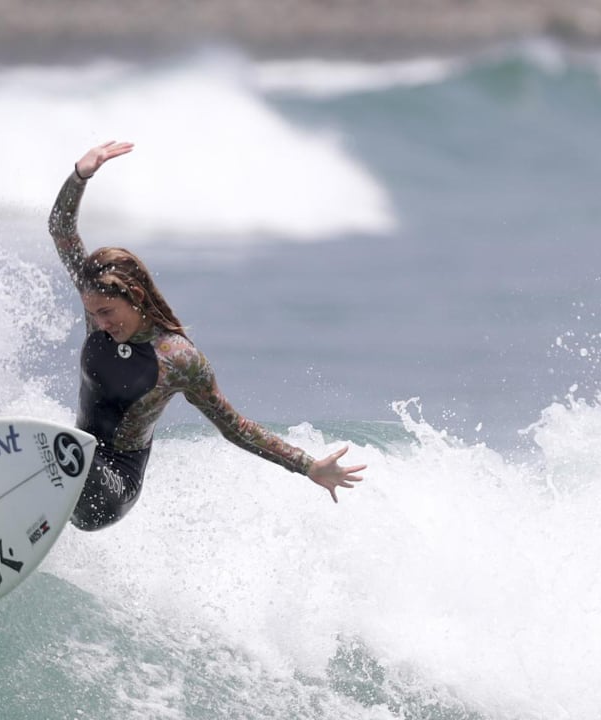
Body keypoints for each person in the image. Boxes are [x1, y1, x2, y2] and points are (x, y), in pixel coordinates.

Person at [49, 141, 366, 531]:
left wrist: (308, 466)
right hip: (73, 462)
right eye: (93, 313)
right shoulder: (98, 309)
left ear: (135, 296)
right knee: (55, 452)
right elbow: (61, 229)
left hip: (112, 486)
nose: (99, 323)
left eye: (107, 313)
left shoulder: (177, 358)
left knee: (57, 454)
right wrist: (80, 176)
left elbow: (235, 427)